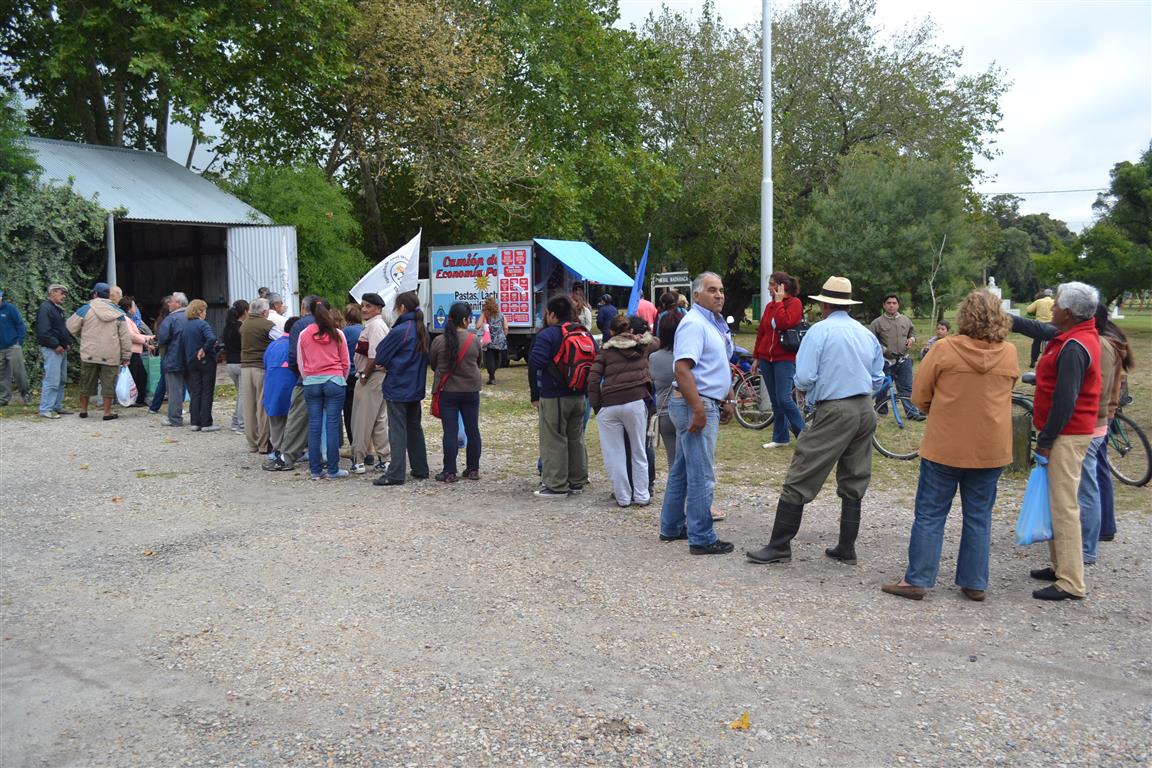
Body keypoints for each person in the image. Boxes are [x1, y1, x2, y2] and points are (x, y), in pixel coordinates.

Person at [881, 291, 1019, 601]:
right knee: (979, 516)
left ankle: (917, 578)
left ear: (964, 316)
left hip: (946, 445)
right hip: (990, 448)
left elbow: (919, 396)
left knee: (930, 514)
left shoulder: (944, 350)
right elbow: (1008, 388)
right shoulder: (1008, 353)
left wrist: (939, 408)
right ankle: (974, 582)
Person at [746, 275, 884, 566]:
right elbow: (878, 376)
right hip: (864, 408)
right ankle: (847, 548)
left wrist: (808, 391)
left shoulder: (819, 333)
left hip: (834, 408)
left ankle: (779, 546)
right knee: (855, 476)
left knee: (802, 472)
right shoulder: (865, 333)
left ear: (824, 306)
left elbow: (805, 377)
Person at [1009, 281, 1101, 601]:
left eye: (1058, 303)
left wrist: (1046, 440)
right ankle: (1059, 564)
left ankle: (1071, 581)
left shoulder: (1075, 346)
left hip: (1067, 433)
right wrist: (1007, 318)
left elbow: (1066, 400)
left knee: (1064, 507)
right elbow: (1038, 329)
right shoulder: (1072, 334)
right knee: (1055, 501)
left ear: (1068, 312)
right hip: (1067, 431)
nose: (1053, 306)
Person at [657, 272, 737, 555]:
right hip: (696, 403)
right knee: (701, 473)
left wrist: (729, 399)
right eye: (712, 290)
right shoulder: (693, 323)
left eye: (721, 290)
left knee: (681, 467)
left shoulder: (712, 322)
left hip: (705, 400)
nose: (719, 295)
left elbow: (717, 366)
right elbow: (682, 369)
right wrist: (699, 409)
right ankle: (702, 537)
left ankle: (671, 526)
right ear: (697, 296)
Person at [588, 314, 657, 507]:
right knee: (639, 450)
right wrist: (643, 333)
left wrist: (597, 405)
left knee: (616, 454)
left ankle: (623, 497)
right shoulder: (643, 346)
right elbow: (657, 341)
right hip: (636, 401)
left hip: (610, 404)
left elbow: (593, 379)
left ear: (611, 332)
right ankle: (642, 495)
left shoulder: (604, 351)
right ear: (630, 330)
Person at [528, 295, 593, 498]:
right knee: (576, 438)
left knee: (554, 439)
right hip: (580, 395)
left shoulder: (548, 335)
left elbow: (534, 363)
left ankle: (556, 485)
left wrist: (535, 394)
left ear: (553, 314)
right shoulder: (583, 333)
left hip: (554, 396)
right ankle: (577, 480)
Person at [372, 291, 430, 486]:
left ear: (402, 308)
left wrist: (387, 363)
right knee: (414, 427)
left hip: (398, 385)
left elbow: (380, 354)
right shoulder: (422, 329)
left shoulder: (401, 330)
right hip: (415, 386)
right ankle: (420, 467)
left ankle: (396, 473)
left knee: (397, 430)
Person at [264, 295, 320, 472]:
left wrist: (301, 375)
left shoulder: (291, 332)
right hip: (322, 379)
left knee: (288, 420)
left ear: (304, 307)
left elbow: (290, 358)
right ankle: (318, 454)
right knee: (314, 419)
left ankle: (282, 453)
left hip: (294, 383)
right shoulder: (327, 325)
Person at [752, 270, 806, 449]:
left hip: (785, 358)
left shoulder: (795, 303)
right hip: (767, 359)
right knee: (776, 400)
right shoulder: (769, 307)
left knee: (784, 398)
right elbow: (762, 333)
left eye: (772, 284)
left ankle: (804, 436)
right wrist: (756, 357)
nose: (769, 288)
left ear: (782, 287)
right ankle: (781, 437)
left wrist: (780, 302)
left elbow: (785, 323)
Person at [430, 302, 483, 482]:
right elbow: (478, 362)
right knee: (472, 429)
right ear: (466, 320)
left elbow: (433, 364)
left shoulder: (439, 340)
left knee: (450, 431)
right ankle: (473, 469)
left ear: (449, 319)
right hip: (471, 390)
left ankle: (449, 471)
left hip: (448, 392)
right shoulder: (474, 340)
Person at [298, 301, 351, 479]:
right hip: (334, 380)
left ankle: (315, 470)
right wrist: (341, 377)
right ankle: (333, 469)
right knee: (332, 424)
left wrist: (308, 378)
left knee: (314, 425)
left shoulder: (304, 334)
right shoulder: (337, 334)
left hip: (312, 381)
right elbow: (346, 362)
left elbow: (301, 361)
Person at [65, 282, 132, 421]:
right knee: (109, 384)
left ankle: (83, 411)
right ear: (108, 295)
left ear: (95, 294)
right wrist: (126, 355)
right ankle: (107, 413)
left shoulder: (86, 309)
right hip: (111, 354)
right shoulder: (118, 312)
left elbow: (70, 326)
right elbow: (125, 337)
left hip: (89, 353)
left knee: (86, 382)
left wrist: (82, 333)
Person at [1095, 305, 1133, 543]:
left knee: (1098, 467)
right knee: (1100, 466)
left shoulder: (1103, 342)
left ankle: (1104, 525)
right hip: (1110, 406)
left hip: (1101, 412)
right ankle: (1105, 523)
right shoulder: (1114, 336)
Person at [351, 293, 391, 474]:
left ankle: (358, 460)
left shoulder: (375, 326)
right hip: (378, 376)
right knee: (378, 420)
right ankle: (385, 457)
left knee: (362, 419)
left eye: (368, 306)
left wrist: (364, 375)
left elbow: (374, 355)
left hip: (372, 376)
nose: (364, 309)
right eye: (363, 306)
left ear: (378, 308)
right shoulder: (377, 324)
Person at [869, 294, 924, 421]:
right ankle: (881, 411)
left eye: (894, 303)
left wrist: (912, 339)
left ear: (898, 305)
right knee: (883, 387)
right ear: (884, 305)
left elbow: (912, 332)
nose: (891, 305)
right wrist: (883, 350)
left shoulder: (905, 320)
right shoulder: (877, 323)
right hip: (885, 361)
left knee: (906, 387)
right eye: (888, 303)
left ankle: (911, 413)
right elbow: (871, 341)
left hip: (904, 359)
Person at [240, 298, 275, 454]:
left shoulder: (244, 325)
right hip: (261, 368)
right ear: (264, 311)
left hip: (245, 367)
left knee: (249, 406)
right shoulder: (267, 326)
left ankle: (252, 442)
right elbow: (279, 341)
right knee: (262, 406)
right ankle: (263, 444)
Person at [180, 299, 221, 432]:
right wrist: (204, 349)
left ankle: (195, 422)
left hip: (191, 362)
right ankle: (206, 423)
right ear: (199, 311)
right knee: (207, 391)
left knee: (196, 391)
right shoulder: (203, 325)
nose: (205, 313)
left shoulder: (185, 325)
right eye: (204, 311)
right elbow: (211, 339)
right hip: (206, 360)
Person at [262, 317, 297, 468]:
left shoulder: (273, 345)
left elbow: (265, 362)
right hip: (290, 387)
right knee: (292, 421)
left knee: (276, 422)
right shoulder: (295, 345)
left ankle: (276, 448)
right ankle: (289, 450)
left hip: (271, 388)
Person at [35, 284, 72, 418]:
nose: (64, 296)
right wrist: (56, 345)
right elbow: (43, 332)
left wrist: (66, 343)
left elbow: (60, 329)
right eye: (62, 293)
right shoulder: (45, 308)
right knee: (52, 379)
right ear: (53, 292)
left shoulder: (56, 309)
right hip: (52, 350)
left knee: (61, 379)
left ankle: (57, 406)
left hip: (60, 349)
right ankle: (46, 408)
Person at [156, 292, 190, 426]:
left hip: (173, 359)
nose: (169, 304)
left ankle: (175, 419)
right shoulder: (192, 317)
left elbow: (162, 338)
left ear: (179, 304)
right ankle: (200, 418)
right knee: (195, 390)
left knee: (175, 391)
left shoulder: (170, 319)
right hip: (190, 359)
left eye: (172, 301)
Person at [118, 296, 154, 406]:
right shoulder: (126, 319)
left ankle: (138, 399)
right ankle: (134, 400)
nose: (136, 308)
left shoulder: (129, 319)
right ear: (129, 308)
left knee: (140, 375)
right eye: (134, 306)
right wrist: (147, 338)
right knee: (136, 376)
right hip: (131, 351)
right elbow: (132, 336)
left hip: (135, 351)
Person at [222, 299, 249, 432]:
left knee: (240, 393)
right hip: (241, 363)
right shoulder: (242, 327)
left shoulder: (227, 327)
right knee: (244, 394)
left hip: (230, 363)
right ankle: (241, 423)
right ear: (245, 312)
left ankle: (235, 420)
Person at [0, 288, 30, 406]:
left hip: (13, 346)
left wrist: (19, 342)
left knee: (19, 372)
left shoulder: (10, 309)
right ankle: (4, 399)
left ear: (2, 297)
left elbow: (20, 325)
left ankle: (25, 394)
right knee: (2, 375)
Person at [341, 302, 363, 442]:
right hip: (363, 373)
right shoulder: (365, 329)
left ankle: (353, 442)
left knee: (349, 412)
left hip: (348, 375)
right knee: (363, 412)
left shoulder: (344, 332)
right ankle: (367, 445)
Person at [476, 295, 508, 385]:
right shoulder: (501, 314)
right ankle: (493, 372)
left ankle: (492, 377)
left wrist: (483, 317)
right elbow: (506, 327)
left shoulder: (485, 314)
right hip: (500, 339)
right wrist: (503, 336)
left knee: (490, 358)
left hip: (489, 339)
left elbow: (478, 326)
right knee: (497, 357)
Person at [1026, 289, 1055, 368]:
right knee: (1053, 342)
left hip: (1039, 324)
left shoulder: (1039, 301)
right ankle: (1051, 359)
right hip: (1051, 324)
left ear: (1043, 294)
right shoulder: (1054, 302)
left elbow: (1029, 310)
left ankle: (1033, 360)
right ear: (1051, 295)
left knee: (1036, 342)